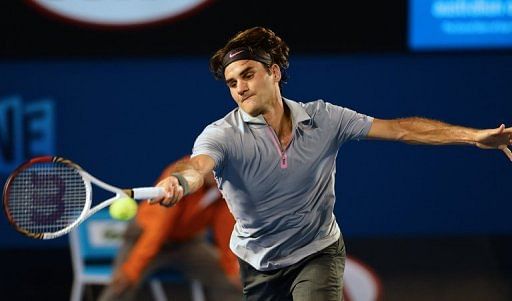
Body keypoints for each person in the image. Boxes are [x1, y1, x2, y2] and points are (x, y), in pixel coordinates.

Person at [150, 27, 512, 301]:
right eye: (231, 82)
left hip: (317, 251)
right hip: (258, 264)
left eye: (248, 74)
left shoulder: (325, 117)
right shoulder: (221, 134)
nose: (240, 88)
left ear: (274, 72)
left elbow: (400, 129)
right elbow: (197, 167)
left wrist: (474, 136)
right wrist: (180, 183)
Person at [98, 156, 242, 301]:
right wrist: (131, 270)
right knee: (123, 283)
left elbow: (225, 230)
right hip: (145, 237)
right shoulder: (179, 176)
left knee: (233, 281)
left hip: (187, 244)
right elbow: (159, 228)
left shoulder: (225, 186)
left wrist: (232, 269)